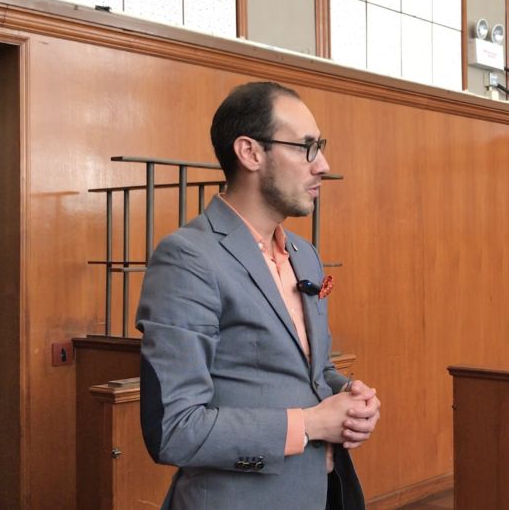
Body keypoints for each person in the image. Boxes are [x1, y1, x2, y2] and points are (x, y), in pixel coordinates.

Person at [137, 81, 380, 510]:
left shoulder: (305, 255)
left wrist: (350, 396)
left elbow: (313, 372)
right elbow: (174, 429)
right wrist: (309, 424)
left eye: (319, 146)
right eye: (306, 146)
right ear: (250, 153)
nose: (322, 163)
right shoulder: (188, 258)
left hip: (324, 494)